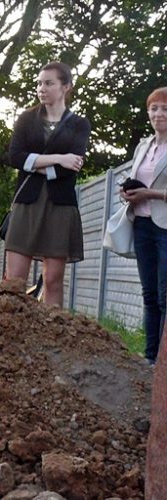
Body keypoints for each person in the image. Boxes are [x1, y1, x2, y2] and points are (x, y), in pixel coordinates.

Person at [4, 61, 91, 308]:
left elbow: (73, 166)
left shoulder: (79, 124)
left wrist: (35, 163)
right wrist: (58, 159)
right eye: (39, 83)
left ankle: (53, 332)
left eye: (49, 83)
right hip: (27, 202)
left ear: (66, 87)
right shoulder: (26, 119)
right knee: (14, 280)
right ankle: (10, 328)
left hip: (60, 204)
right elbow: (14, 157)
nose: (42, 88)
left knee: (53, 279)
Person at [119, 87, 167, 365]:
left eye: (164, 109)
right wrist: (125, 192)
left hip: (165, 227)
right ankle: (150, 357)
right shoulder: (143, 147)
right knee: (149, 293)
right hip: (142, 224)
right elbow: (133, 177)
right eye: (154, 109)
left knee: (164, 295)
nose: (159, 114)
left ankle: (163, 361)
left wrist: (152, 194)